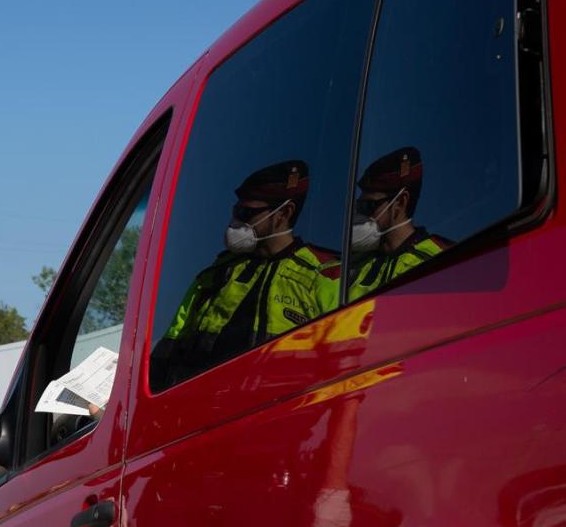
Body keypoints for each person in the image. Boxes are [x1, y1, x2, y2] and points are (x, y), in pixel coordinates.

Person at [154, 160, 340, 380]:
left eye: (246, 212)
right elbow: (168, 349)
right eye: (236, 210)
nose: (235, 220)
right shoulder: (217, 273)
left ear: (284, 213)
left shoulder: (323, 276)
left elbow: (341, 363)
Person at [346, 147, 453, 300]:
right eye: (358, 206)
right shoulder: (357, 266)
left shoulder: (437, 264)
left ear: (400, 203)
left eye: (368, 206)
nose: (359, 215)